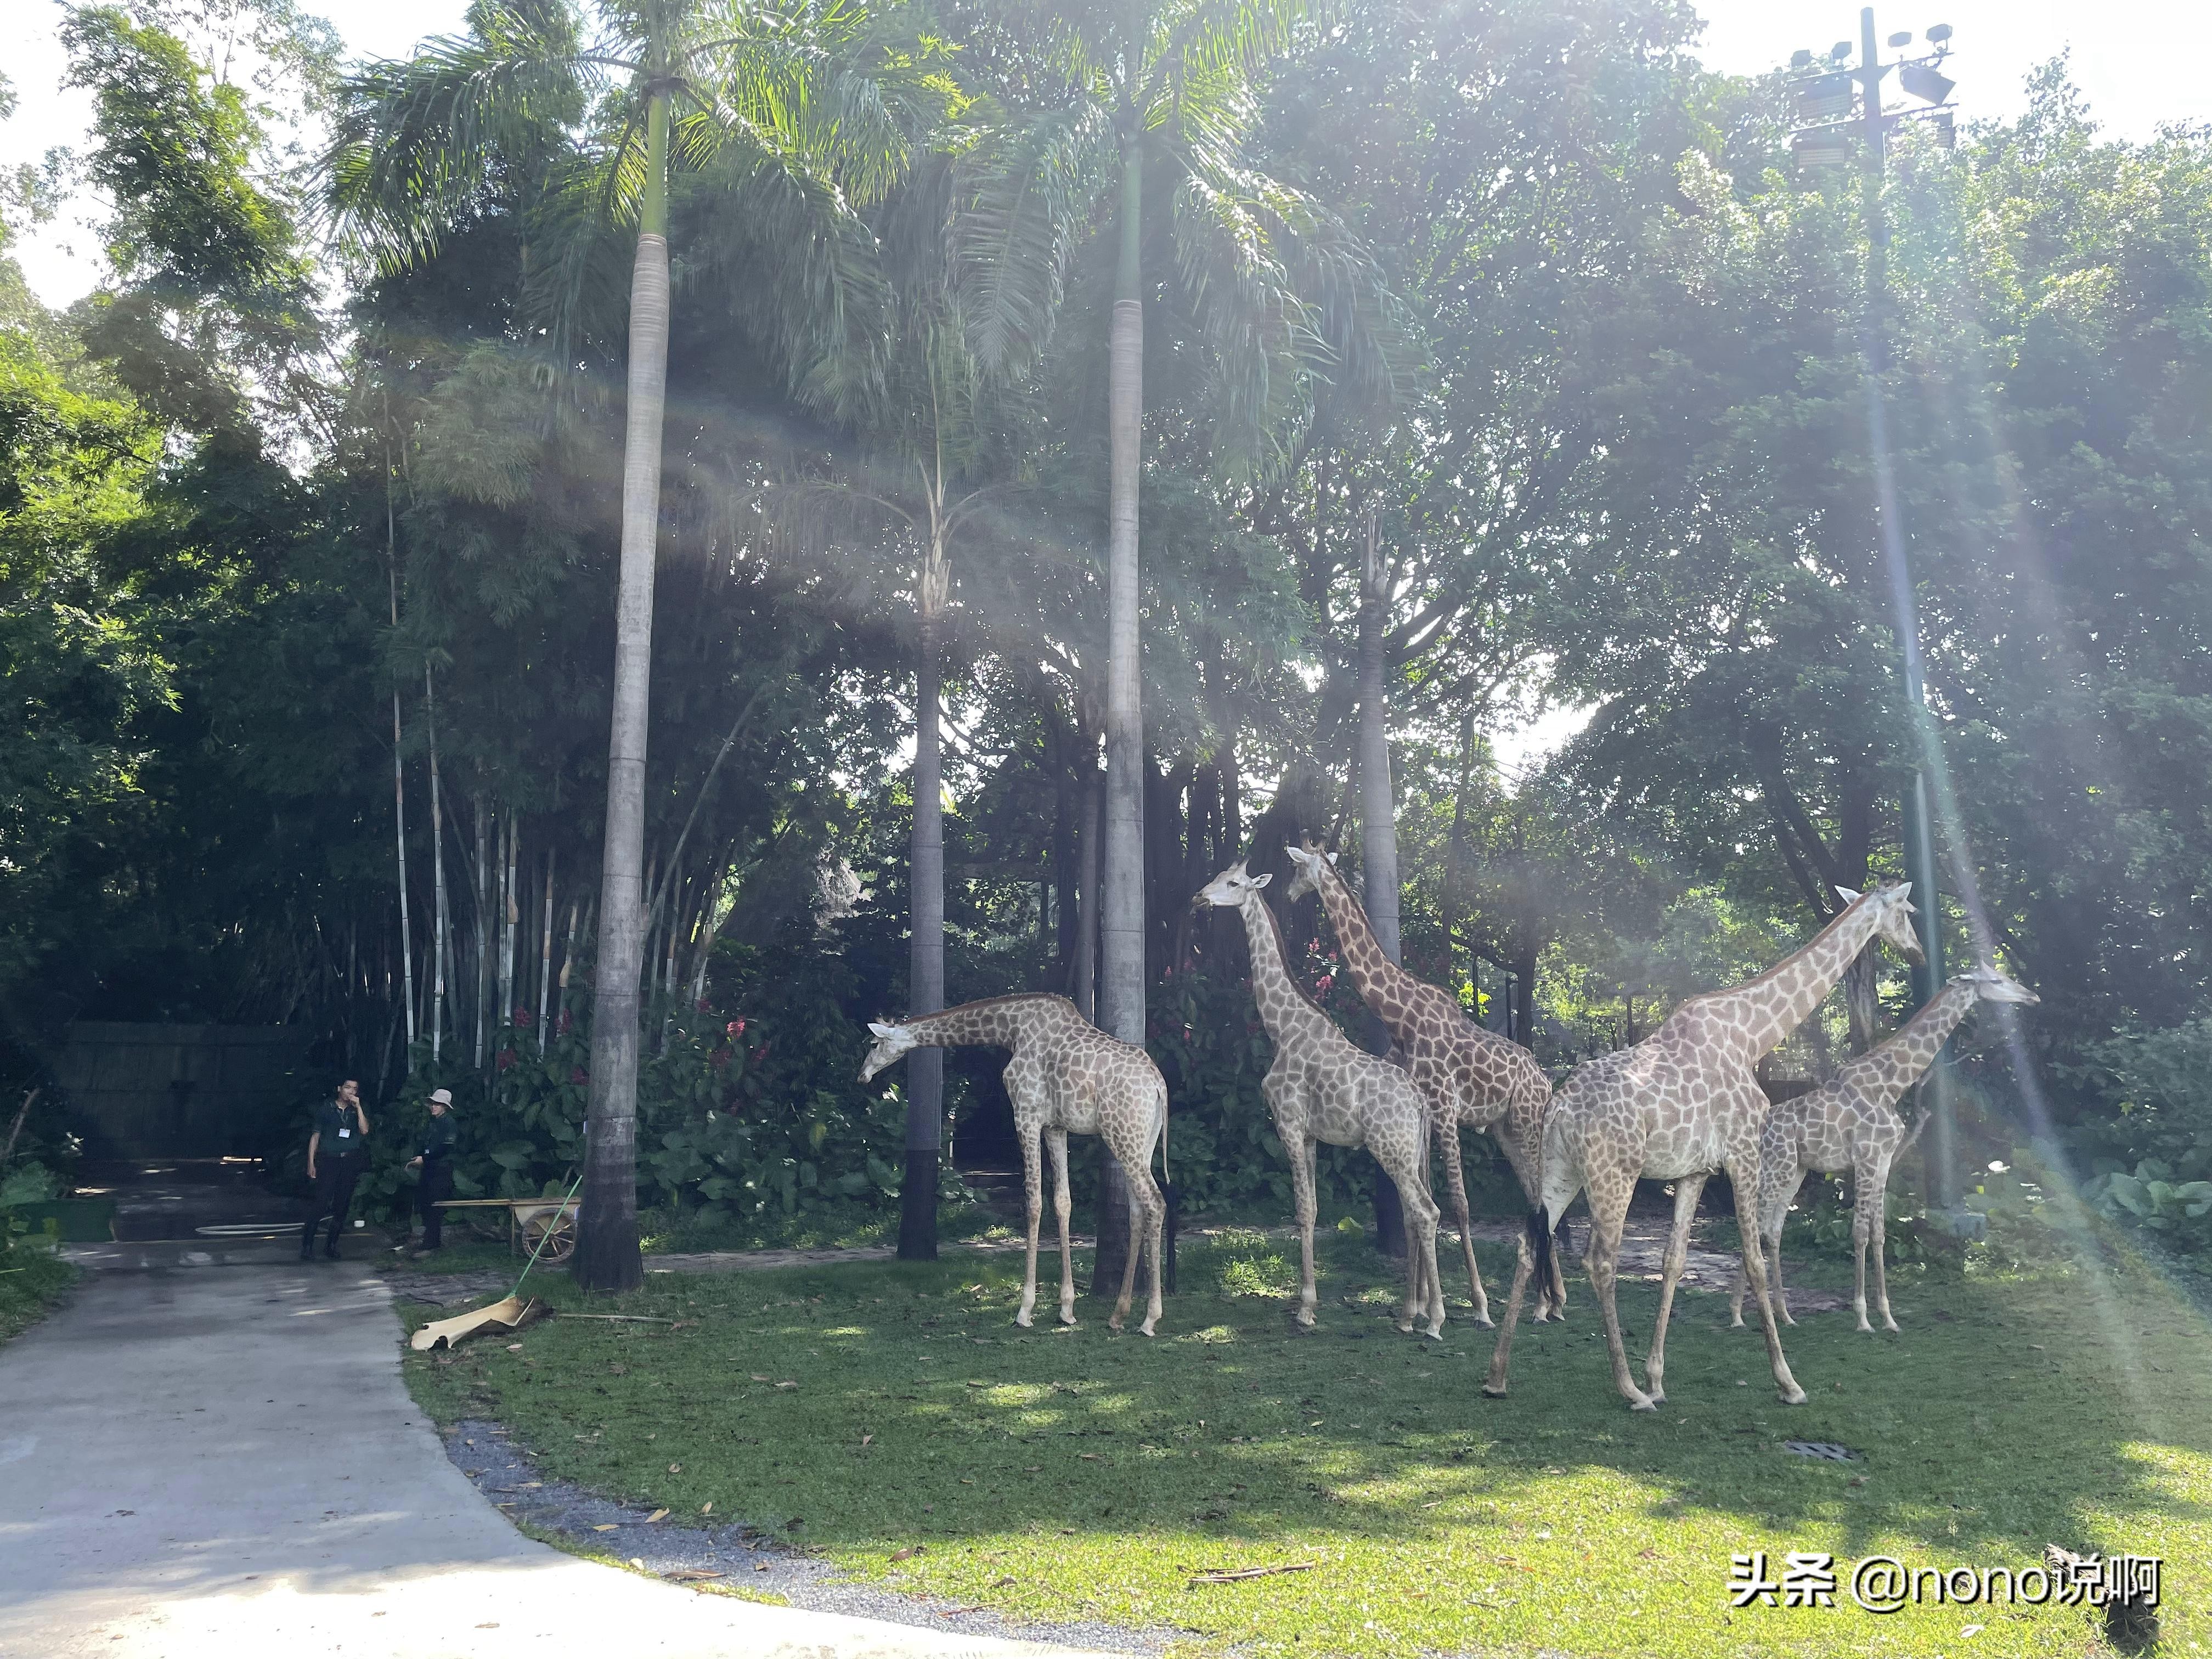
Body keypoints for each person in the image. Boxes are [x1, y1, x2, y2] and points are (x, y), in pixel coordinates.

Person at [302, 1079, 370, 1260]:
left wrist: (359, 1108)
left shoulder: (356, 1110)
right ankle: (307, 1245)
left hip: (349, 1160)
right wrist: (311, 1163)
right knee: (321, 1202)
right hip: (329, 1159)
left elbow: (364, 1131)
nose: (351, 1092)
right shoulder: (327, 1108)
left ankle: (331, 1244)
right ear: (340, 1089)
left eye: (355, 1089)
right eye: (348, 1088)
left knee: (342, 1204)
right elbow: (315, 1137)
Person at [407, 1087, 457, 1257]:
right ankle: (431, 1241)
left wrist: (425, 1158)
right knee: (426, 1203)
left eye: (437, 1104)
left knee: (436, 1205)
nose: (434, 1107)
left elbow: (446, 1147)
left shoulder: (449, 1123)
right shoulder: (433, 1123)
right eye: (433, 1104)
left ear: (445, 1107)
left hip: (441, 1169)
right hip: (429, 1168)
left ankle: (431, 1244)